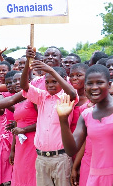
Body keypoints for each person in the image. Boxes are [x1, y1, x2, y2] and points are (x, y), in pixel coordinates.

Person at [20, 48, 77, 186]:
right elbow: (24, 85)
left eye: (54, 81)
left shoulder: (66, 97)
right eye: (47, 82)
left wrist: (51, 70)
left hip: (61, 158)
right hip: (41, 158)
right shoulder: (41, 96)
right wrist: (28, 62)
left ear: (63, 80)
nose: (50, 85)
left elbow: (73, 94)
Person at [56, 64, 113, 186]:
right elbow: (71, 150)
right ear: (85, 87)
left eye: (99, 82)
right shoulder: (87, 114)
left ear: (109, 85)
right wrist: (63, 120)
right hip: (95, 177)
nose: (94, 87)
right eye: (90, 83)